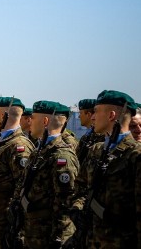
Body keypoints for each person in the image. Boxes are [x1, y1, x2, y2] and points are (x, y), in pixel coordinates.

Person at [74, 90, 140, 247]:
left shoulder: (135, 155)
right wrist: (78, 209)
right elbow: (79, 188)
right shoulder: (96, 150)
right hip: (91, 239)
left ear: (111, 115)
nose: (93, 117)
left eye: (96, 111)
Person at [13, 100, 80, 248]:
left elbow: (65, 203)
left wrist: (59, 239)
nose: (30, 123)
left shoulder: (61, 156)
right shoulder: (39, 151)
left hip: (47, 235)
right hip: (33, 231)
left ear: (45, 121)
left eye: (34, 118)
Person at [0, 97, 32, 249]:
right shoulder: (0, 142)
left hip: (5, 215)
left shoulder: (19, 145)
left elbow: (22, 184)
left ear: (3, 116)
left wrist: (13, 215)